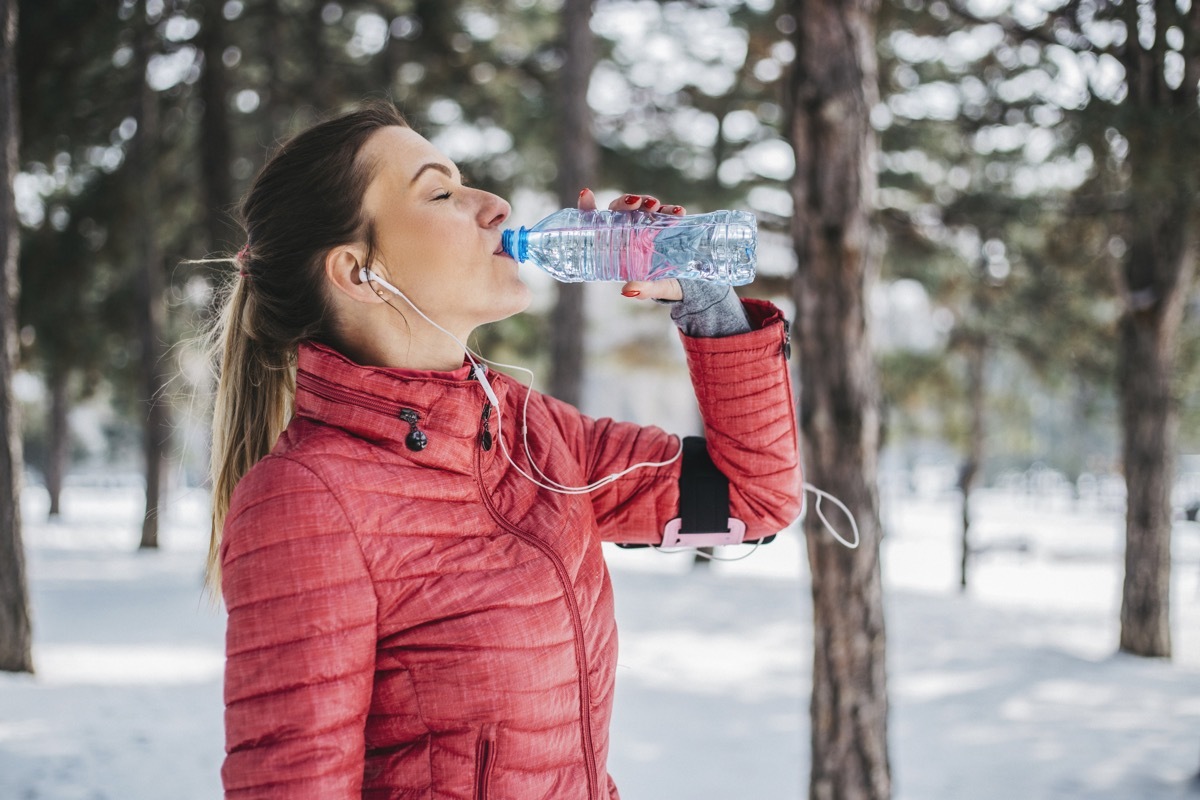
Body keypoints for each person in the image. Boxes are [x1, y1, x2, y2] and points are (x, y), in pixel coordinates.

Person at [208, 102, 803, 800]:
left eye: (468, 183)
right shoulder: (308, 499)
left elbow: (752, 497)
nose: (493, 204)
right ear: (356, 271)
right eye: (441, 193)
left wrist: (707, 302)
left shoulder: (532, 437)